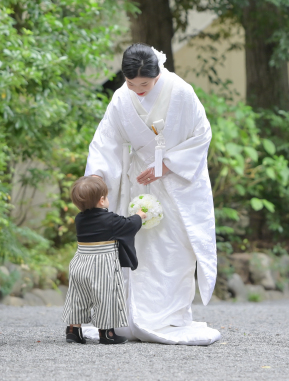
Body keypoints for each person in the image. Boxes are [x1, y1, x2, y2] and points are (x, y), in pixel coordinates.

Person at [83, 43, 221, 345]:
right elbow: (106, 140)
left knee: (173, 249)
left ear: (157, 75)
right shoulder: (122, 98)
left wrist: (166, 166)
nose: (137, 90)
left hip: (174, 182)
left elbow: (202, 134)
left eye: (144, 84)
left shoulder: (181, 93)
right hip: (139, 179)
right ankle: (133, 314)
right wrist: (96, 177)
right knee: (139, 248)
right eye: (131, 83)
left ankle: (171, 315)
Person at [63, 175, 146, 345]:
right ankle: (107, 333)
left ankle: (73, 330)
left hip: (80, 263)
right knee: (106, 297)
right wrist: (139, 215)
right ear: (102, 201)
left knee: (78, 297)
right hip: (102, 266)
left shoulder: (79, 219)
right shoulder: (110, 220)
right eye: (106, 197)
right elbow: (129, 225)